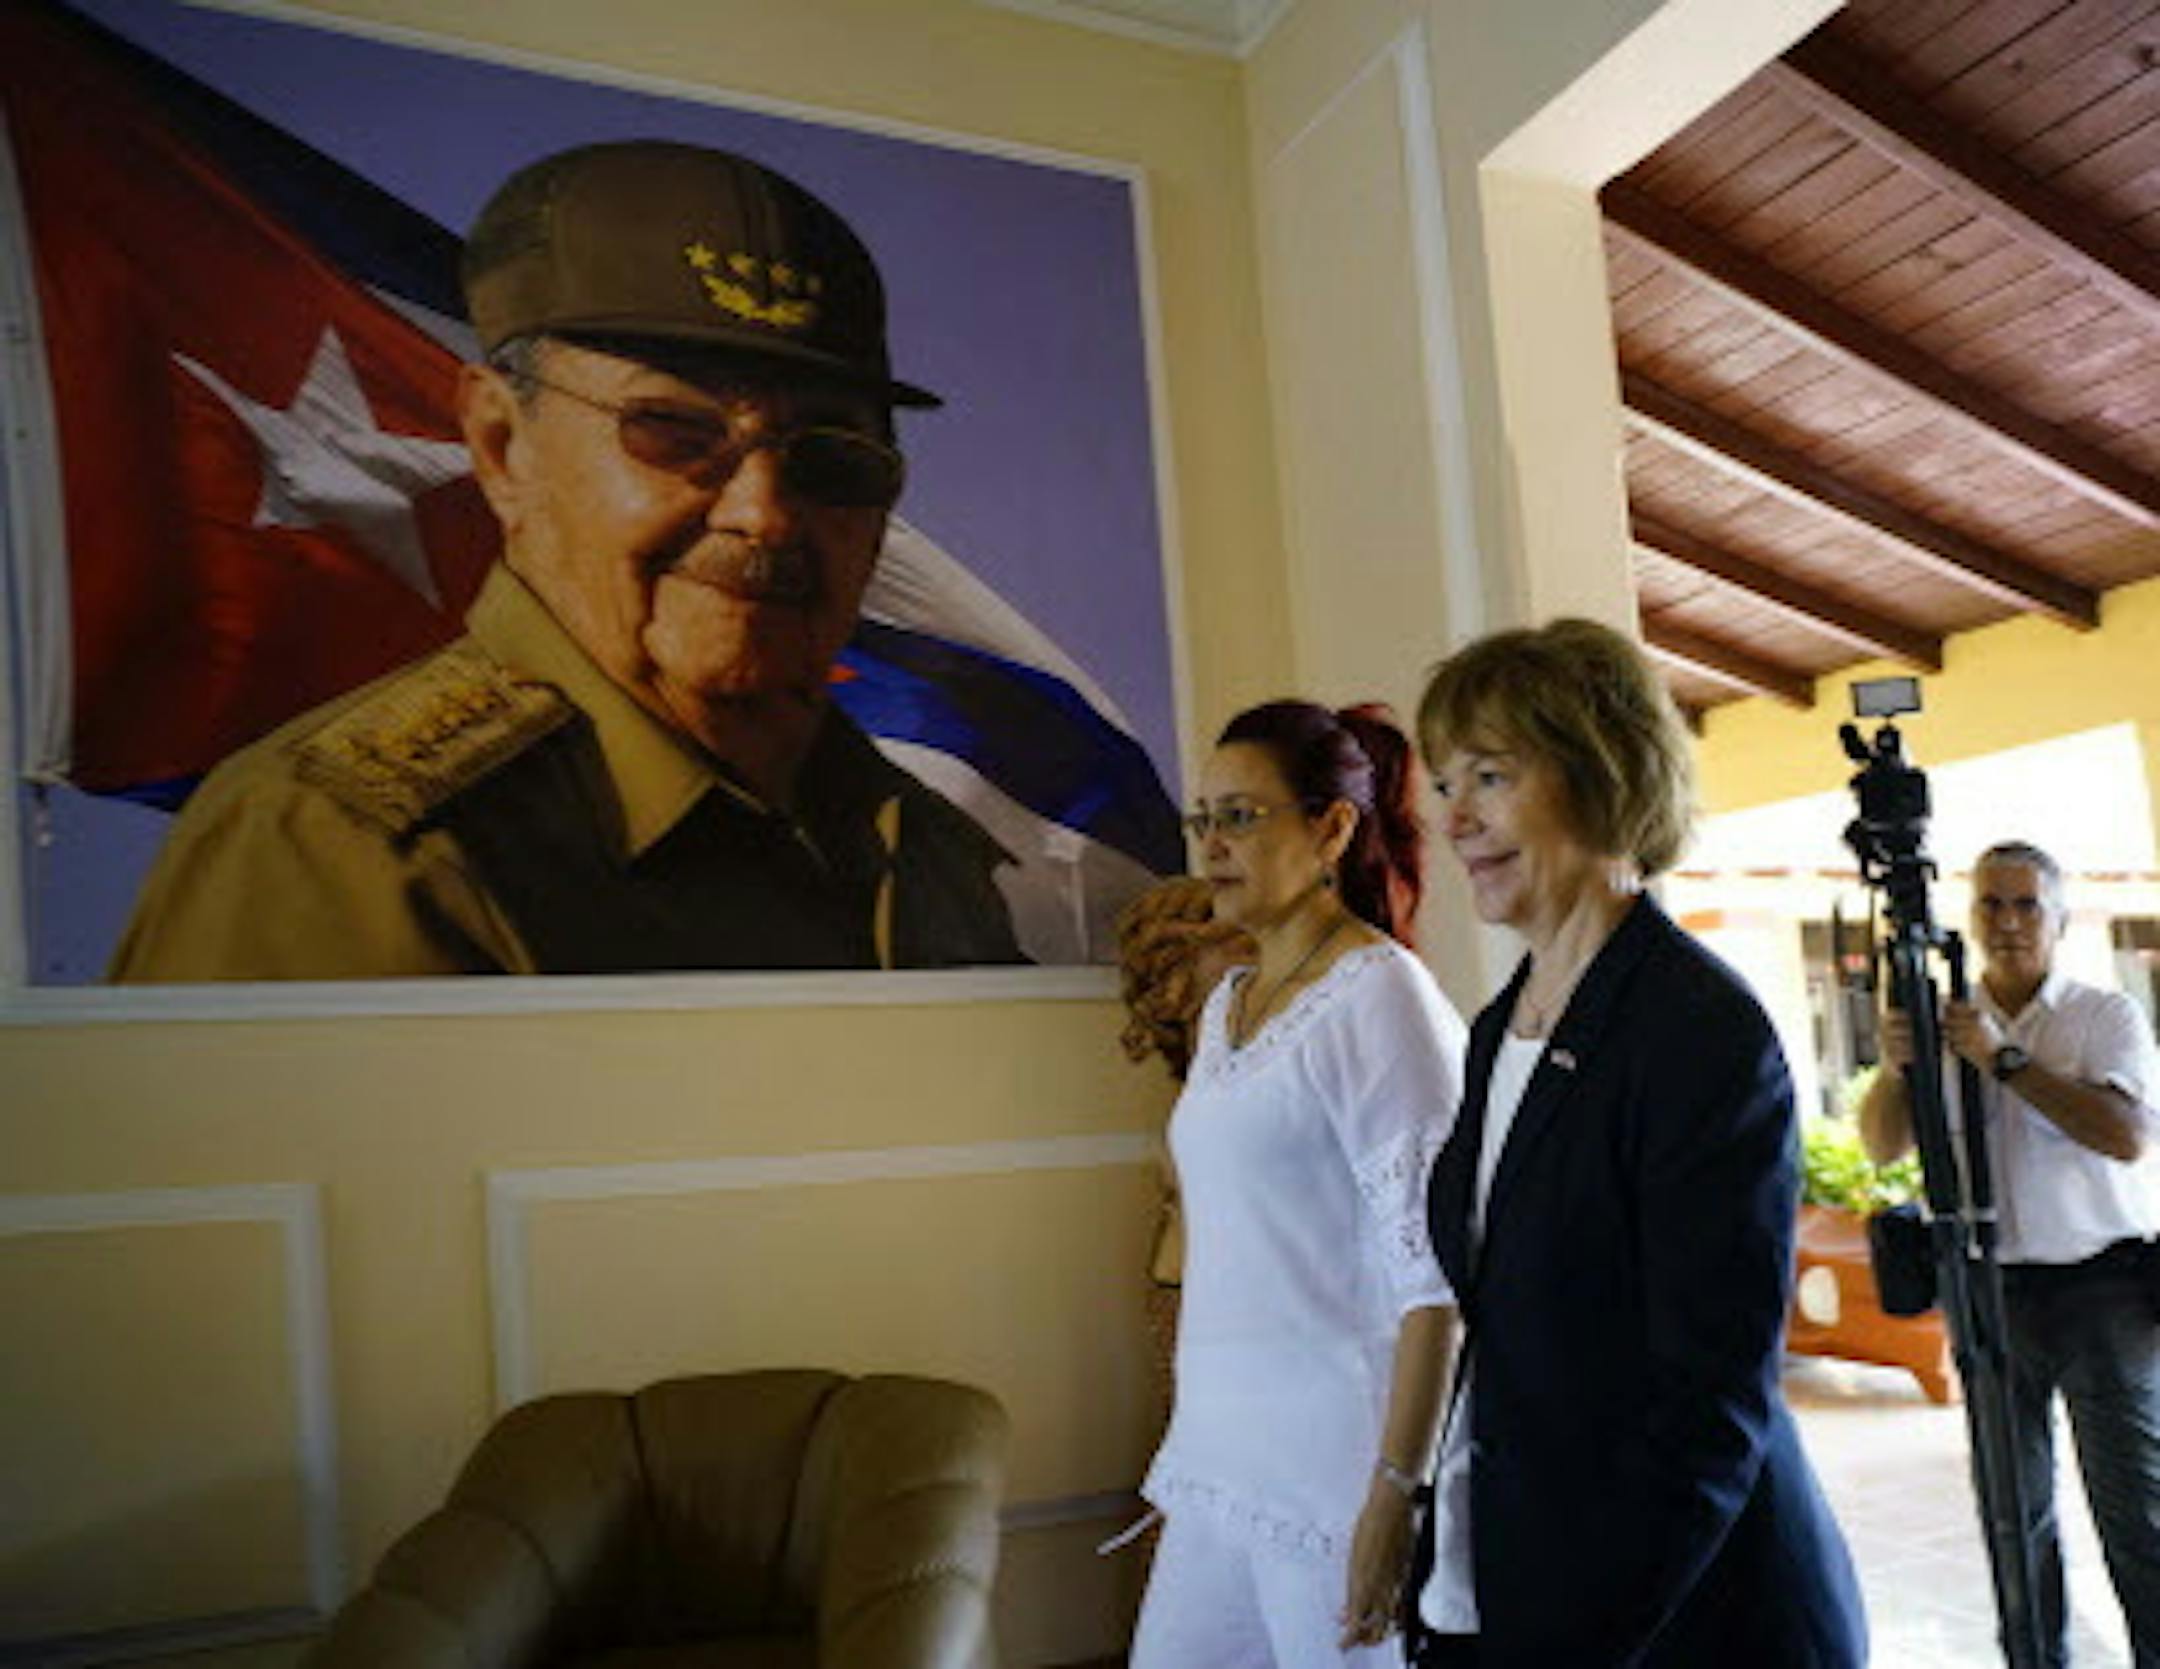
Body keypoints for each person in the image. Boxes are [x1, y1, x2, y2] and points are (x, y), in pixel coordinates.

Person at [111, 141, 1021, 979]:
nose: (764, 515)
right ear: (504, 447)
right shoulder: (348, 855)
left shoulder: (921, 850)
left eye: (832, 459)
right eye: (673, 429)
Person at [1409, 618, 1866, 1668]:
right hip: (1528, 1574)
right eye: (1444, 785)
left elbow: (1710, 1409)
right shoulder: (1499, 1028)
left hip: (1688, 1612)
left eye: (1490, 774)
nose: (1456, 817)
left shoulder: (1698, 1029)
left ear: (1597, 770)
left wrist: (1582, 1638)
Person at [1133, 700, 1466, 1669]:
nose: (1213, 846)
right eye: (1204, 819)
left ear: (1331, 829)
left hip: (1334, 1480)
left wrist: (1393, 1494)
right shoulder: (1229, 999)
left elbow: (1437, 1281)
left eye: (1242, 816)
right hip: (1217, 1465)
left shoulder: (1380, 997)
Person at [1859, 840, 2160, 1667]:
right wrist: (1898, 1067)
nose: (2010, 921)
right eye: (1992, 903)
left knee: (2138, 1518)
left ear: (2059, 917)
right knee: (2012, 1517)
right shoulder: (1939, 1023)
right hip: (1990, 1294)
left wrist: (2005, 1060)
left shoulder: (2102, 1016)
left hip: (2105, 1294)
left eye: (2028, 903)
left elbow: (2127, 1136)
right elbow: (1882, 1144)